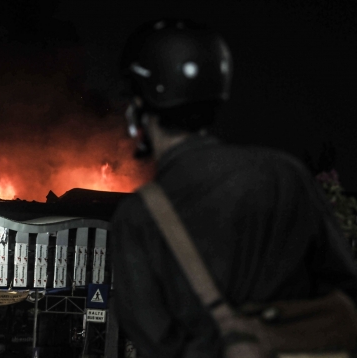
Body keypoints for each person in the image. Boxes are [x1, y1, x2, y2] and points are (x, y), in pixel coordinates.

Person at [111, 18, 357, 357]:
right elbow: (345, 296)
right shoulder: (285, 175)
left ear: (140, 108)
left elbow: (155, 341)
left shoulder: (137, 217)